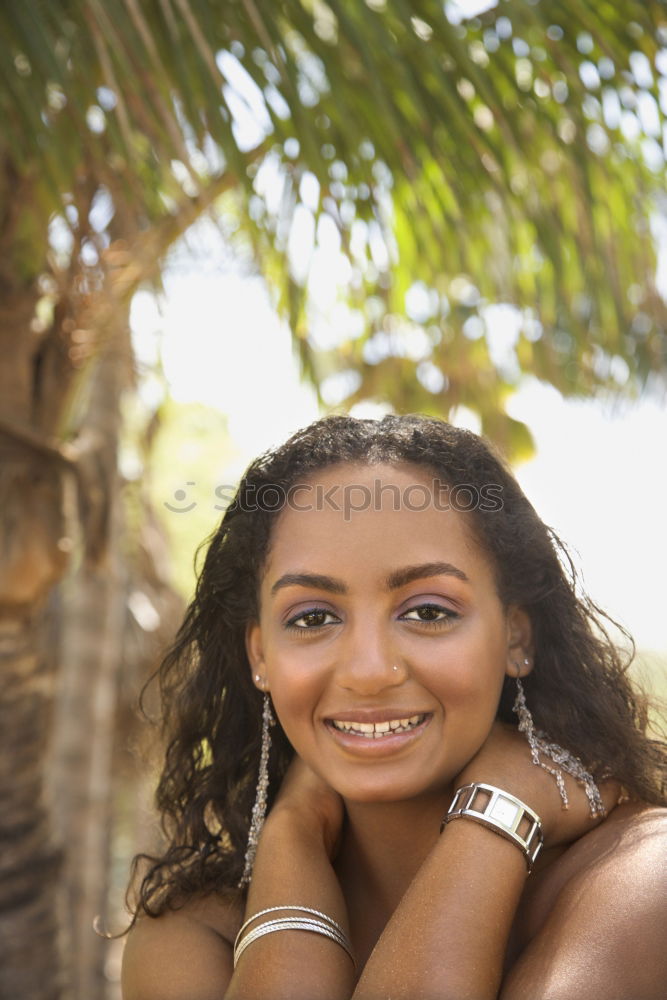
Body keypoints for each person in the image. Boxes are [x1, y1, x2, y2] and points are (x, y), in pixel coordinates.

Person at [121, 414, 667, 1000]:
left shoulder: (639, 880)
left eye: (428, 611)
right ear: (261, 655)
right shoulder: (194, 935)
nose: (369, 670)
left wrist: (494, 821)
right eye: (312, 618)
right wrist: (291, 839)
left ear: (516, 638)